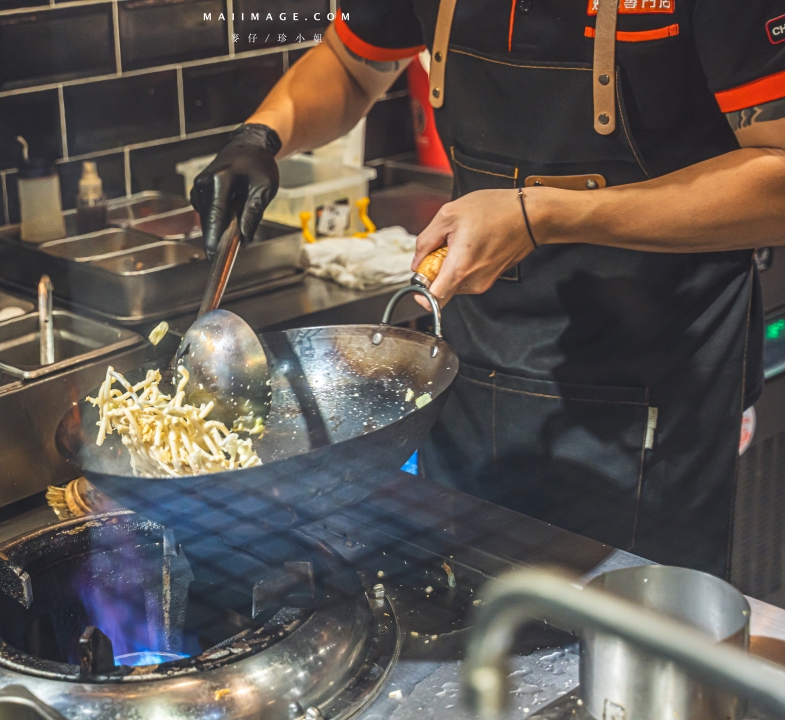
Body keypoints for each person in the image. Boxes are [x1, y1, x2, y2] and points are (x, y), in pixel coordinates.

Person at [189, 0, 785, 576]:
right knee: (469, 615)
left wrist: (544, 215)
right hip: (474, 365)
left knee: (629, 650)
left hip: (656, 381)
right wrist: (261, 137)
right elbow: (352, 63)